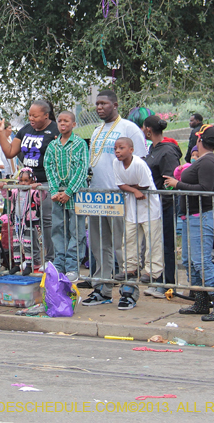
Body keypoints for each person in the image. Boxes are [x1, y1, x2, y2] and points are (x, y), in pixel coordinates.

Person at [81, 90, 147, 306]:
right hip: (97, 197)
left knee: (124, 247)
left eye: (104, 103)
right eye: (97, 104)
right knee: (100, 246)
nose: (99, 107)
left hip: (120, 197)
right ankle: (102, 290)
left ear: (115, 105)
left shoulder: (129, 128)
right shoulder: (97, 130)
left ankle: (129, 291)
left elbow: (140, 162)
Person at [163, 125, 214, 321]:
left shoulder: (208, 161)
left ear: (199, 140)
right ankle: (201, 302)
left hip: (203, 215)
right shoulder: (205, 160)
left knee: (201, 261)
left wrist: (177, 184)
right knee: (189, 260)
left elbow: (205, 189)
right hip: (193, 215)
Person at [0, 100, 59, 265]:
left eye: (35, 116)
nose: (31, 118)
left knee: (47, 223)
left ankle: (51, 260)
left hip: (45, 184)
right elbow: (10, 152)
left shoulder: (55, 130)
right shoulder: (25, 130)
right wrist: (1, 133)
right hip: (26, 185)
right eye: (30, 115)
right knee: (28, 221)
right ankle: (33, 260)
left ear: (46, 115)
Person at [112, 137, 163, 310]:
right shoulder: (116, 163)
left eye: (121, 148)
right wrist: (133, 189)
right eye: (116, 148)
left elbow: (145, 186)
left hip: (148, 206)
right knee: (129, 238)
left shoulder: (139, 164)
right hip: (132, 205)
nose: (117, 151)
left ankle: (152, 270)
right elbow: (120, 184)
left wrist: (133, 188)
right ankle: (130, 267)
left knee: (152, 239)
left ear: (131, 150)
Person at [44, 110, 88, 281]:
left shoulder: (79, 144)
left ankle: (72, 266)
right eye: (60, 121)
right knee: (58, 230)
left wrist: (69, 192)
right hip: (58, 197)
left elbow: (82, 169)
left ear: (73, 124)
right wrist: (55, 191)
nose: (63, 124)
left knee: (76, 231)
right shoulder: (53, 146)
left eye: (66, 121)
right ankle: (59, 263)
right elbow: (49, 167)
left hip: (75, 195)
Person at [141, 115, 182, 297]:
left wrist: (163, 200)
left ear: (148, 130)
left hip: (165, 204)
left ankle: (168, 282)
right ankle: (158, 279)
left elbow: (170, 180)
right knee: (156, 244)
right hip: (153, 206)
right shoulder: (153, 149)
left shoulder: (167, 151)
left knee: (166, 245)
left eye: (144, 128)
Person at [0, 168, 46, 275]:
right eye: (21, 181)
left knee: (27, 244)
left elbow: (41, 198)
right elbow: (7, 195)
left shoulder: (33, 192)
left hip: (29, 222)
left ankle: (29, 265)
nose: (23, 183)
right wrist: (3, 188)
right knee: (16, 243)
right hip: (17, 222)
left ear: (32, 181)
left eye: (26, 181)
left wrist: (40, 188)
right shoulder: (15, 192)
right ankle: (17, 264)